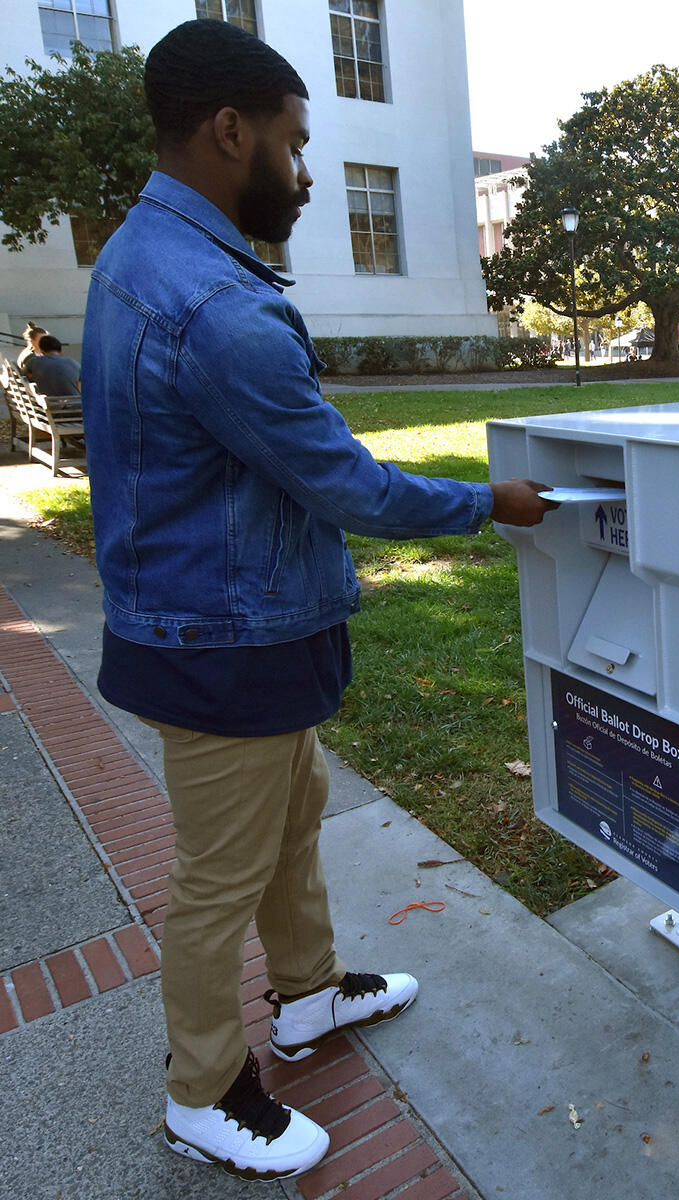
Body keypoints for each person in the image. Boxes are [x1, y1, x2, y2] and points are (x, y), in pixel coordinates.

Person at [81, 19, 557, 1184]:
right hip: (219, 640)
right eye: (294, 148)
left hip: (238, 620)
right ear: (228, 130)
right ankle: (201, 1089)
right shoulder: (215, 305)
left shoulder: (146, 253)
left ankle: (305, 997)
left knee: (294, 822)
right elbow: (345, 480)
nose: (301, 175)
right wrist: (490, 505)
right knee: (216, 883)